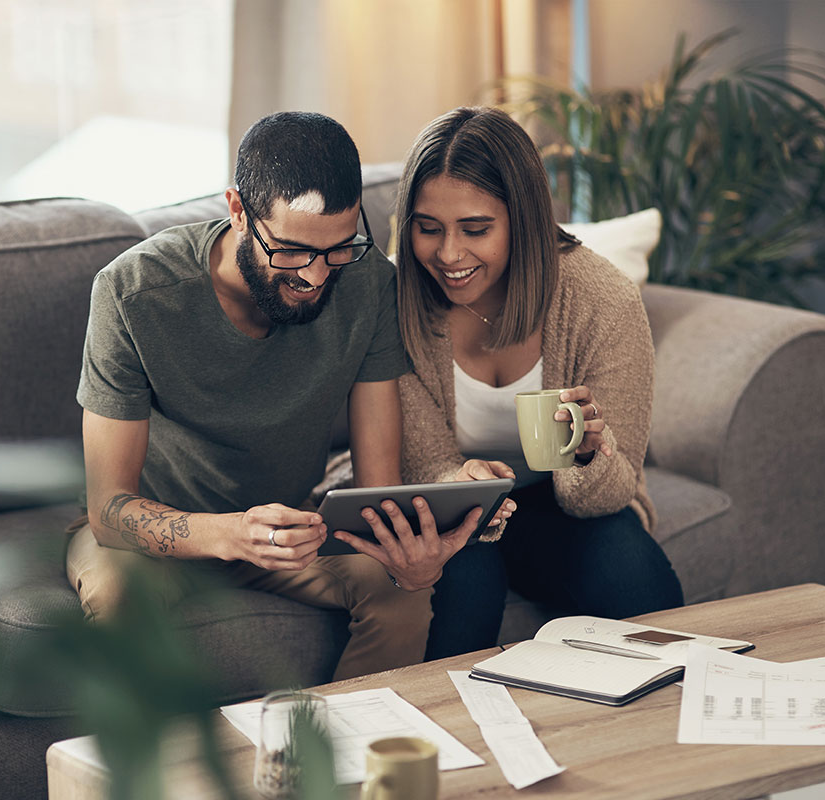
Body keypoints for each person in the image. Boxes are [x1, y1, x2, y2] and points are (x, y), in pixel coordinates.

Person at [66, 110, 510, 682]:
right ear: (237, 211)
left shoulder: (369, 283)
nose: (316, 277)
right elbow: (108, 512)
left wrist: (410, 560)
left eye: (337, 249)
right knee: (119, 600)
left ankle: (355, 756)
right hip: (149, 540)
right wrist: (231, 534)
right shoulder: (134, 293)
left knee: (399, 589)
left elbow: (377, 489)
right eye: (292, 251)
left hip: (291, 530)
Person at [392, 106, 683, 640]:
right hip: (454, 508)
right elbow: (424, 462)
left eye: (476, 229)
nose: (448, 254)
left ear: (522, 219)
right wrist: (456, 484)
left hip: (562, 504)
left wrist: (589, 452)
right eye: (428, 228)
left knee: (632, 573)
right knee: (466, 578)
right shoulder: (399, 302)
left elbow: (609, 496)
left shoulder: (601, 299)